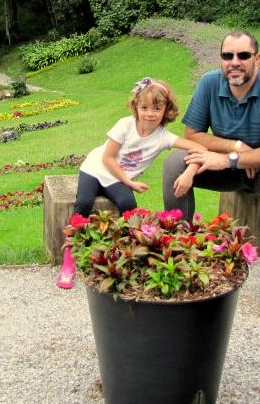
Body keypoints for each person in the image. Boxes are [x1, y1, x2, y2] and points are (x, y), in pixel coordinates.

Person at [161, 32, 260, 314]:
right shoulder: (210, 83)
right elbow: (192, 134)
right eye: (228, 56)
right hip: (227, 166)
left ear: (257, 58)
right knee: (175, 163)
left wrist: (231, 159)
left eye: (243, 56)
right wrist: (234, 146)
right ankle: (180, 255)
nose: (234, 62)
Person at [56, 77, 206, 289]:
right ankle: (69, 260)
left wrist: (190, 171)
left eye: (157, 108)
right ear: (136, 107)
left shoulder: (163, 137)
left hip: (116, 179)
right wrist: (130, 182)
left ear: (166, 110)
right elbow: (108, 158)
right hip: (95, 169)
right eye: (144, 107)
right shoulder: (125, 125)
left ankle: (126, 256)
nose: (150, 114)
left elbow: (200, 149)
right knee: (84, 203)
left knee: (129, 206)